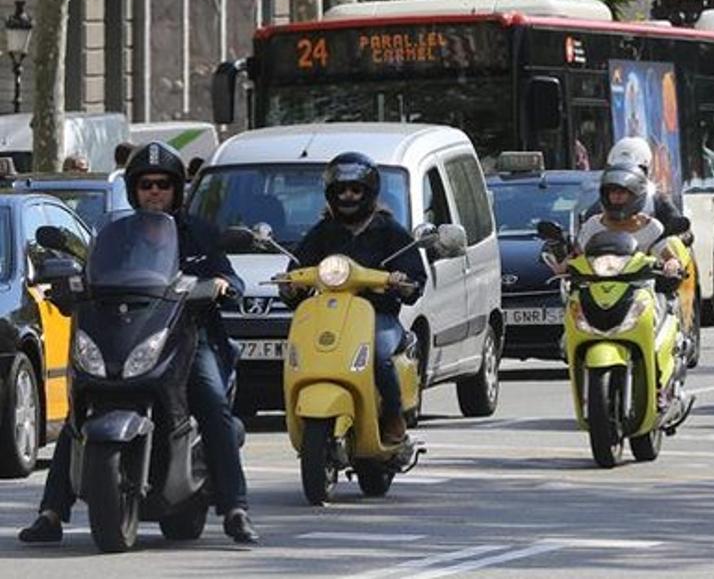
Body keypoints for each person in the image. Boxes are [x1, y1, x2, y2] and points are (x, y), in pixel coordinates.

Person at [19, 141, 258, 545]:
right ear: (133, 189)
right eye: (146, 184)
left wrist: (221, 285)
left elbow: (229, 277)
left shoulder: (197, 232)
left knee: (212, 401)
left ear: (176, 189)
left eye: (162, 184)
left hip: (187, 336)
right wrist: (68, 285)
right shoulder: (116, 235)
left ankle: (235, 508)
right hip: (122, 334)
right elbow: (92, 271)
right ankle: (50, 512)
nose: (154, 192)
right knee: (79, 412)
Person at [283, 152, 427, 447]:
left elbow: (415, 275)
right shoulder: (323, 231)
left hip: (377, 315)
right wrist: (290, 285)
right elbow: (297, 267)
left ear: (369, 192)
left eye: (356, 189)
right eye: (342, 190)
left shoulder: (389, 230)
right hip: (331, 315)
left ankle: (393, 415)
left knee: (379, 356)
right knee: (302, 352)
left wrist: (402, 282)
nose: (348, 196)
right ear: (331, 194)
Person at [583, 137, 689, 236]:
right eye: (614, 190)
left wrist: (678, 233)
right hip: (609, 253)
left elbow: (676, 225)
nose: (618, 195)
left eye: (625, 191)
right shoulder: (597, 213)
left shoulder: (656, 202)